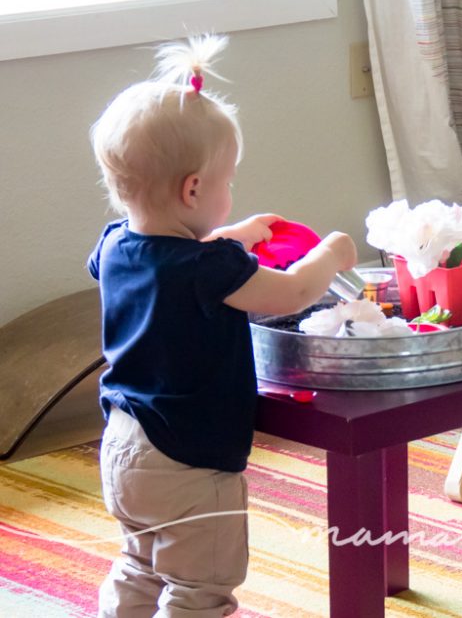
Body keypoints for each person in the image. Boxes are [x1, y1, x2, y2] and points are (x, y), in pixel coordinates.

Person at [87, 34, 356, 617]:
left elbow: (178, 258)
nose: (230, 193)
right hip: (190, 458)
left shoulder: (116, 248)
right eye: (228, 181)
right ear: (193, 189)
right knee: (200, 591)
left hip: (125, 445)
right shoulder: (214, 269)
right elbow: (292, 291)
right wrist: (331, 254)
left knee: (140, 566)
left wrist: (238, 233)